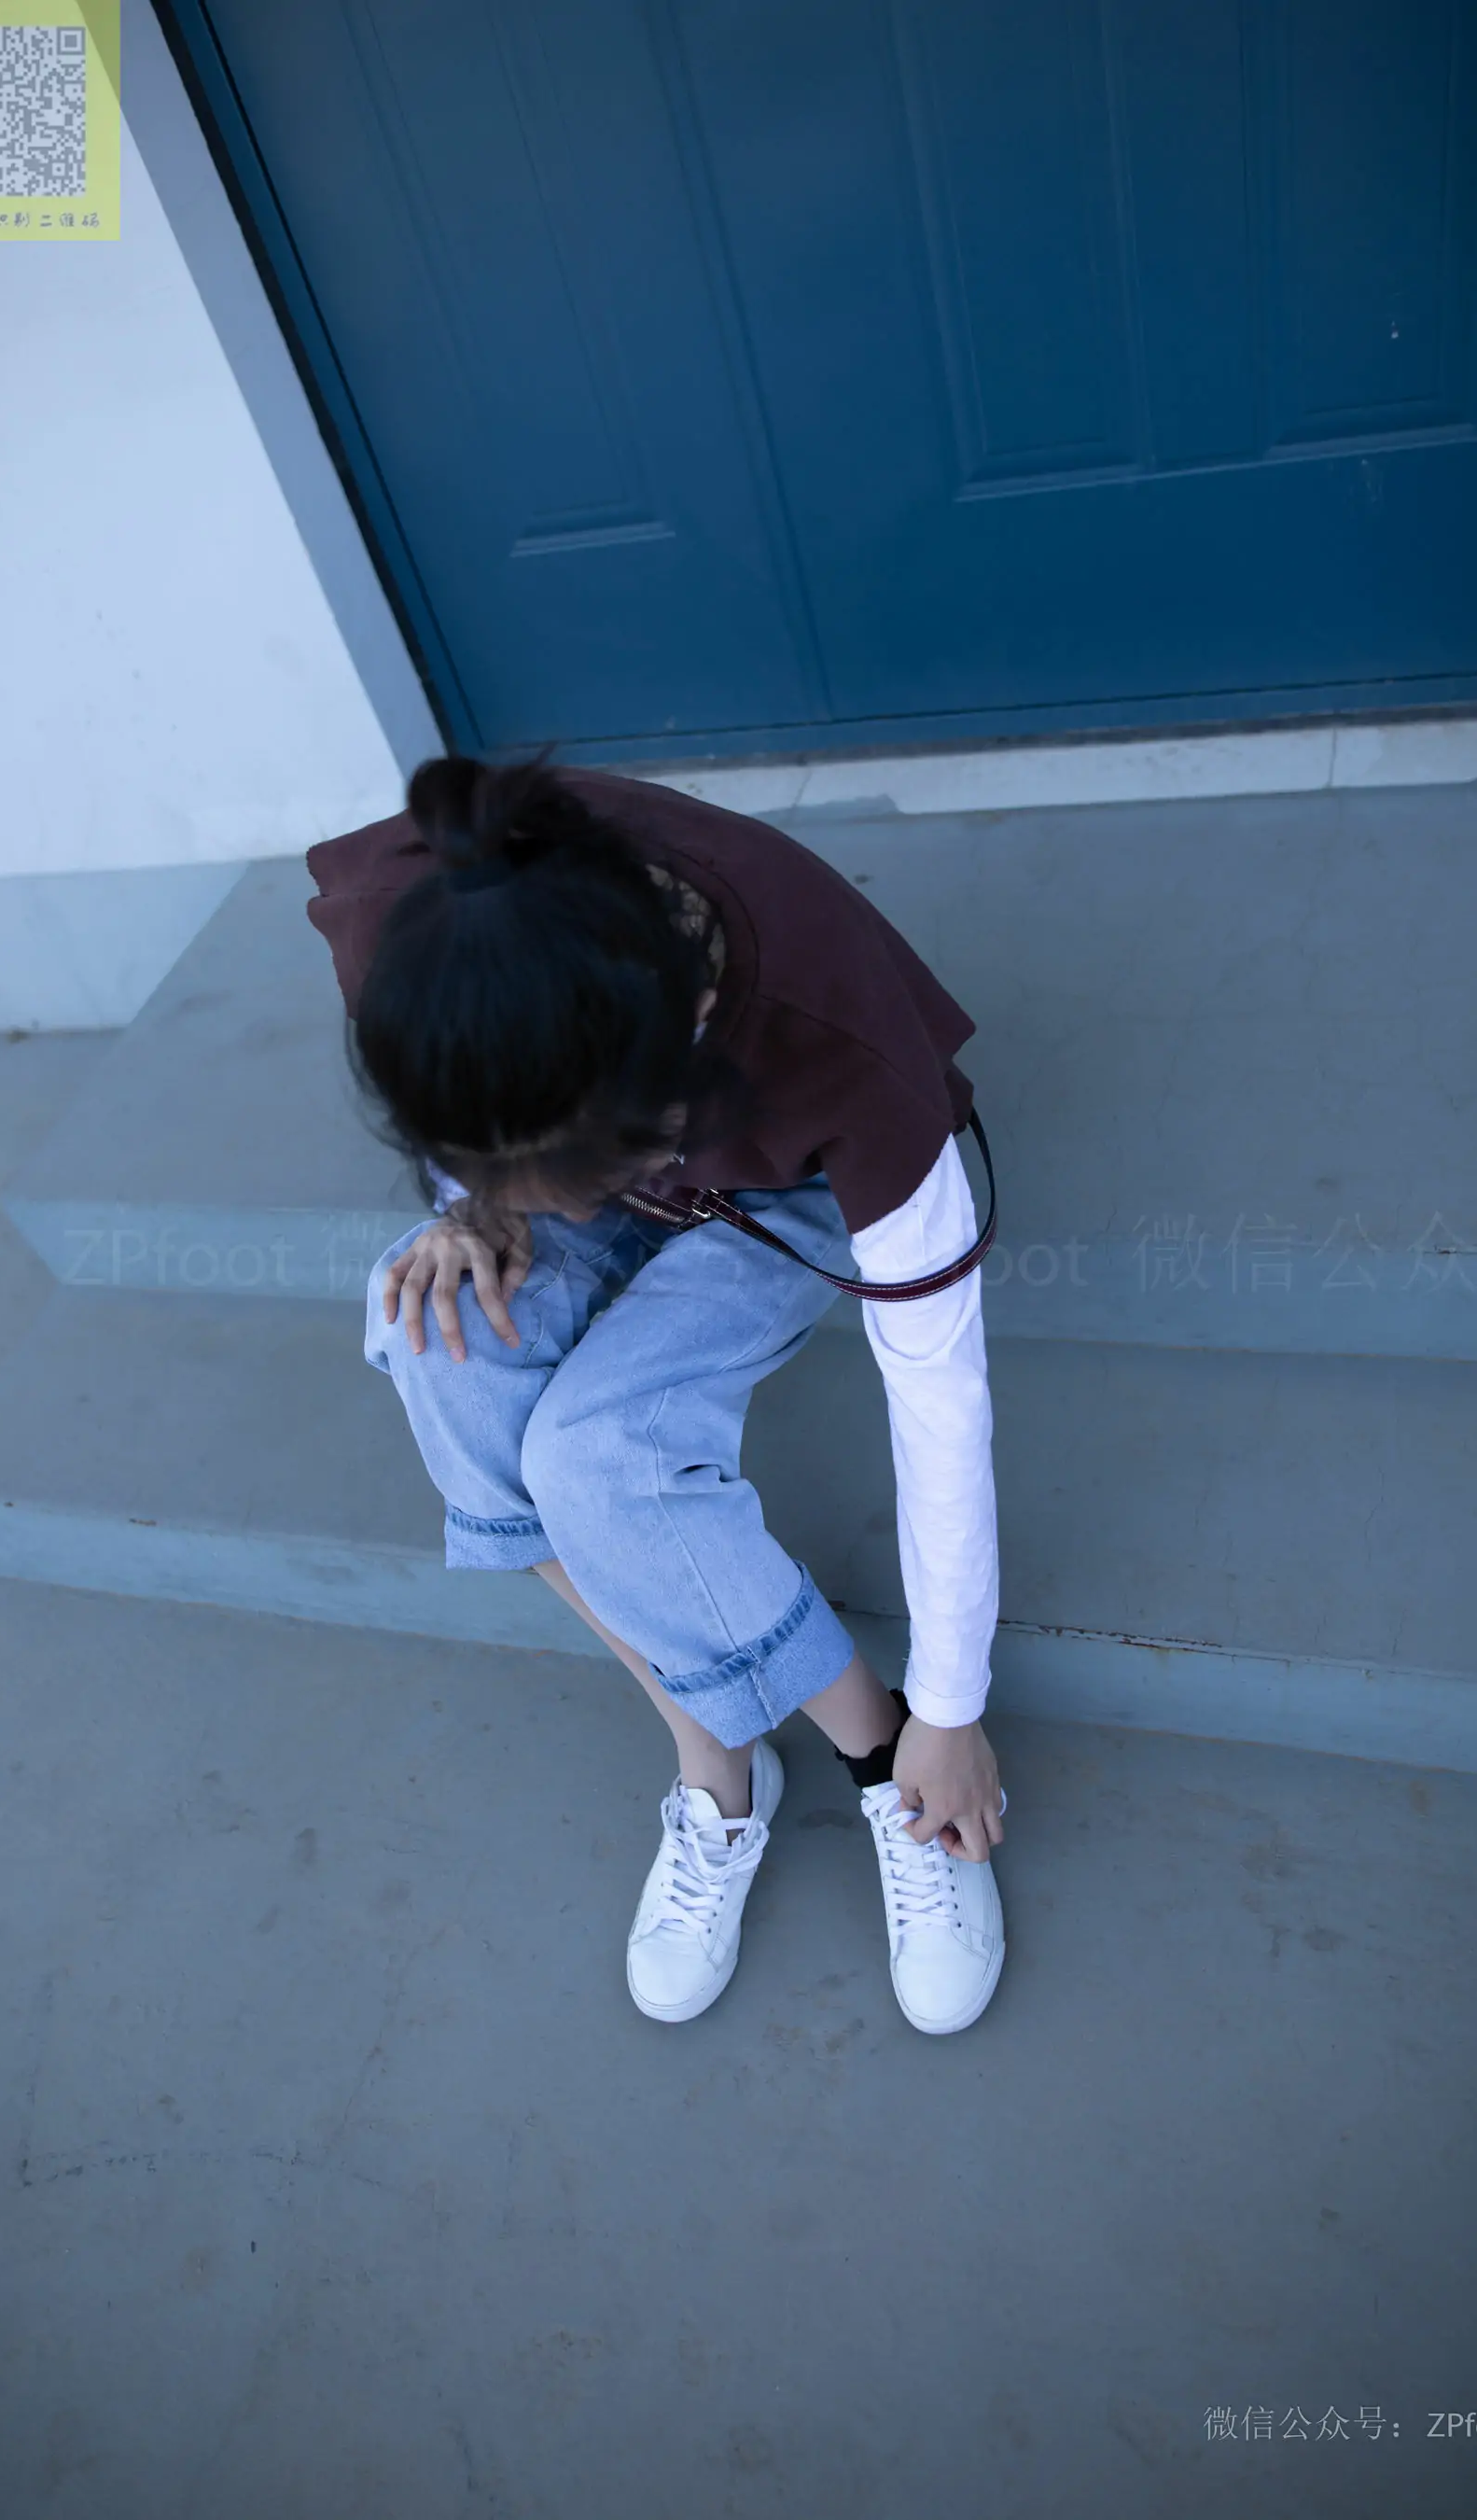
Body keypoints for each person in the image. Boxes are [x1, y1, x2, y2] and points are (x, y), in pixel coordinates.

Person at [304, 753, 1007, 2035]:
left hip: (781, 1192)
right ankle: (722, 1758)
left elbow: (941, 1408)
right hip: (575, 1125)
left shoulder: (841, 1052)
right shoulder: (417, 921)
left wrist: (953, 1716)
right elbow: (472, 1121)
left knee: (601, 1456)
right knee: (433, 1335)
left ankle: (890, 1758)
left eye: (572, 1173)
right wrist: (474, 1198)